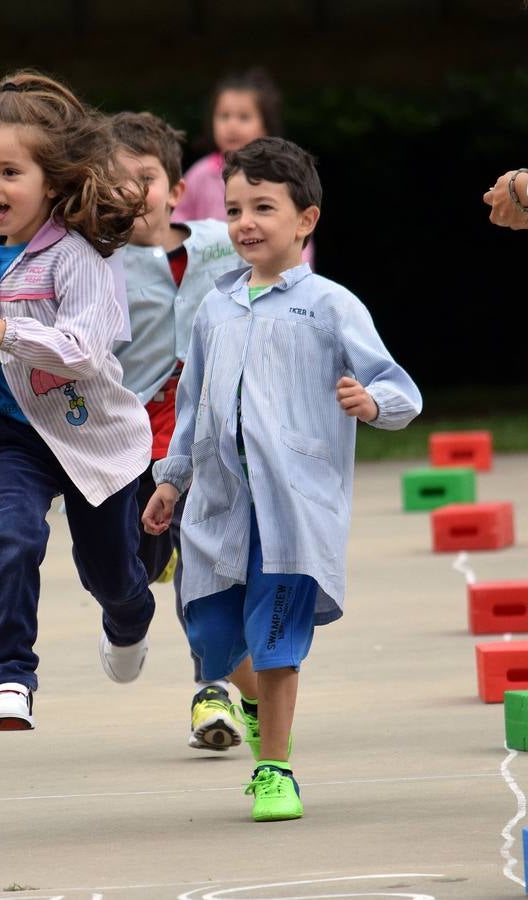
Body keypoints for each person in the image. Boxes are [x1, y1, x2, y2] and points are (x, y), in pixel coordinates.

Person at [143, 137, 421, 822]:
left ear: (307, 220)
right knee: (208, 634)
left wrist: (371, 402)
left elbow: (398, 388)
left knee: (275, 638)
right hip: (217, 504)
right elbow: (193, 404)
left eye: (264, 207)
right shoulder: (214, 308)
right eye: (236, 208)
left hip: (295, 509)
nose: (245, 222)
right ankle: (254, 705)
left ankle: (275, 768)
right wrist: (172, 480)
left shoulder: (331, 306)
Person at [0, 71, 156, 732]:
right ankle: (9, 677)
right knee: (12, 539)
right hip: (16, 439)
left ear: (54, 179)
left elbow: (84, 349)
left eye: (9, 171)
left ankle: (130, 620)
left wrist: (7, 333)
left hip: (91, 438)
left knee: (110, 578)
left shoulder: (80, 260)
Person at [109, 110, 262, 755]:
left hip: (205, 438)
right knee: (130, 565)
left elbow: (279, 253)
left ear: (175, 189)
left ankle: (213, 686)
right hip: (123, 438)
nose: (127, 194)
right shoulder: (95, 264)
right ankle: (124, 618)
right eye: (109, 182)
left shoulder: (220, 244)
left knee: (203, 560)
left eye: (142, 179)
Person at [172, 69, 313, 267]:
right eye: (224, 116)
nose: (232, 125)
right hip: (209, 279)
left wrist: (297, 274)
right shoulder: (200, 174)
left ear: (265, 126)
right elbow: (177, 221)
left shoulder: (279, 175)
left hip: (269, 278)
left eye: (244, 117)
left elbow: (297, 229)